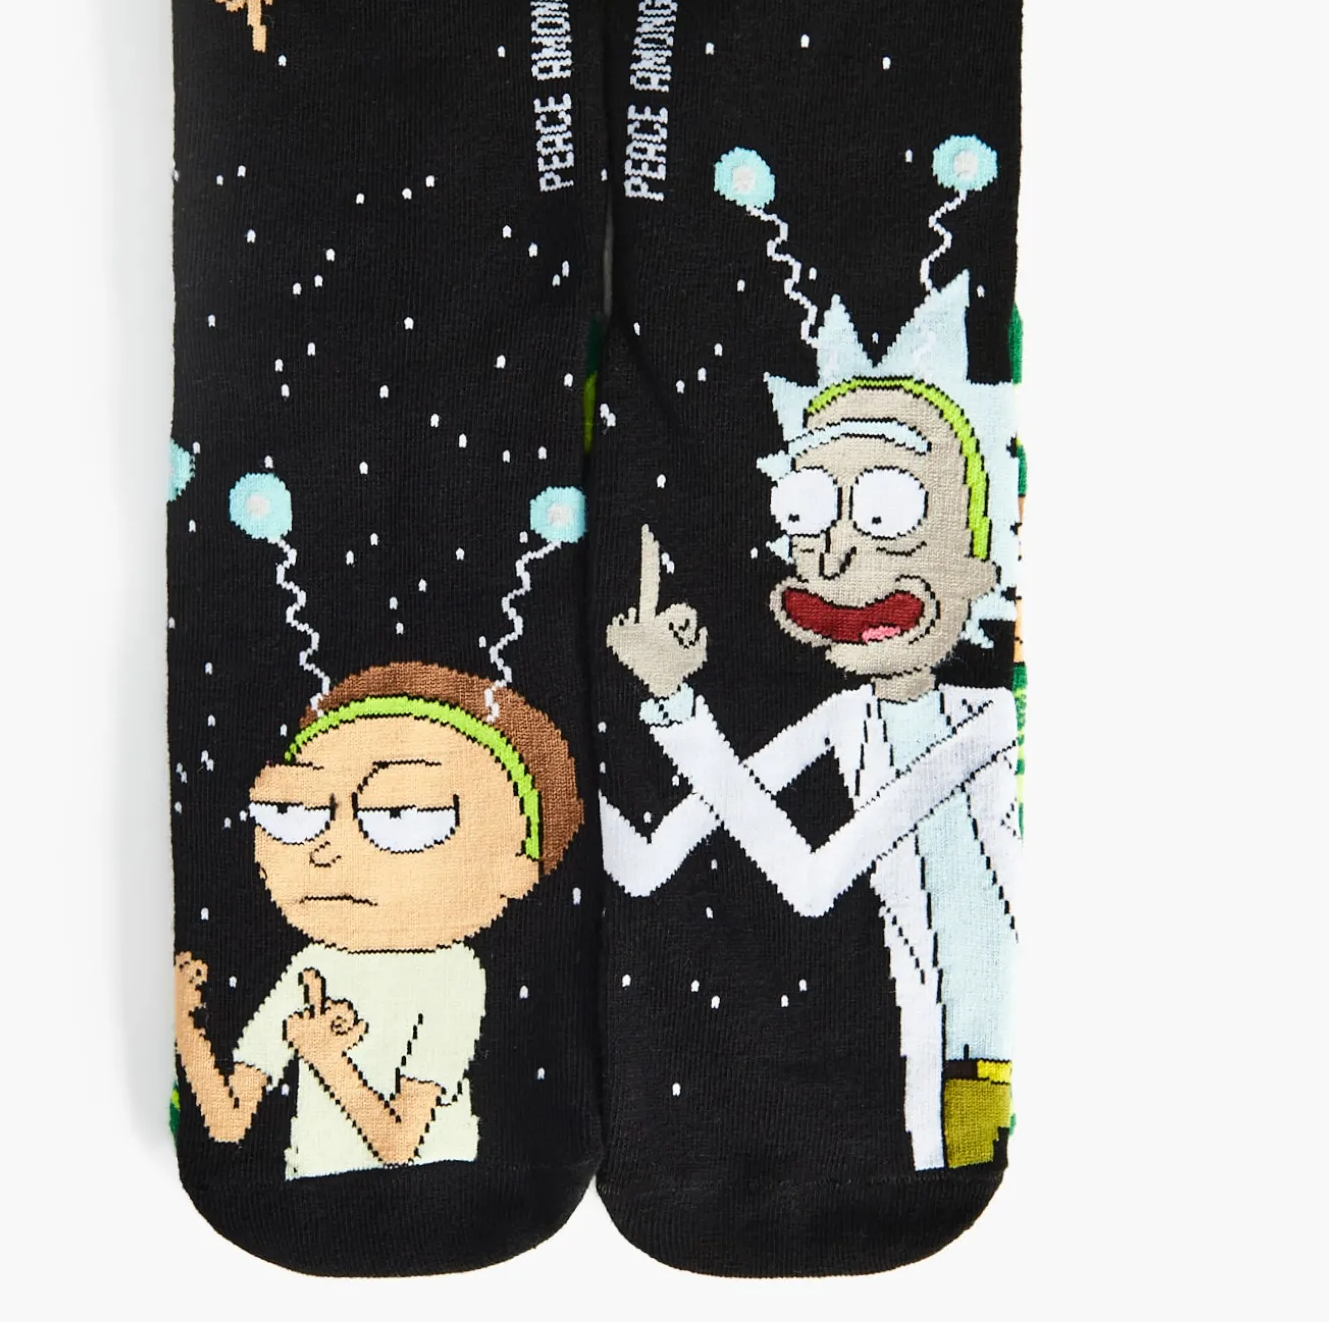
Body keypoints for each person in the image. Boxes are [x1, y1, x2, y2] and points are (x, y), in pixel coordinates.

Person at [602, 377, 1018, 1172]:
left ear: (975, 563)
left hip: (975, 1060)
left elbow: (811, 879)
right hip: (919, 1049)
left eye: (887, 511)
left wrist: (681, 708)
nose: (835, 554)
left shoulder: (987, 725)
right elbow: (651, 861)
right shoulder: (844, 717)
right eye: (805, 512)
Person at [175, 662, 583, 1179]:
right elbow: (227, 1124)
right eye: (297, 811)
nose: (326, 849)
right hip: (308, 1185)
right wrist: (187, 1023)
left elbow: (398, 1144)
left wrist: (326, 1058)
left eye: (403, 815)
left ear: (516, 867)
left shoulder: (451, 973)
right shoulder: (312, 965)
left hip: (438, 1186)